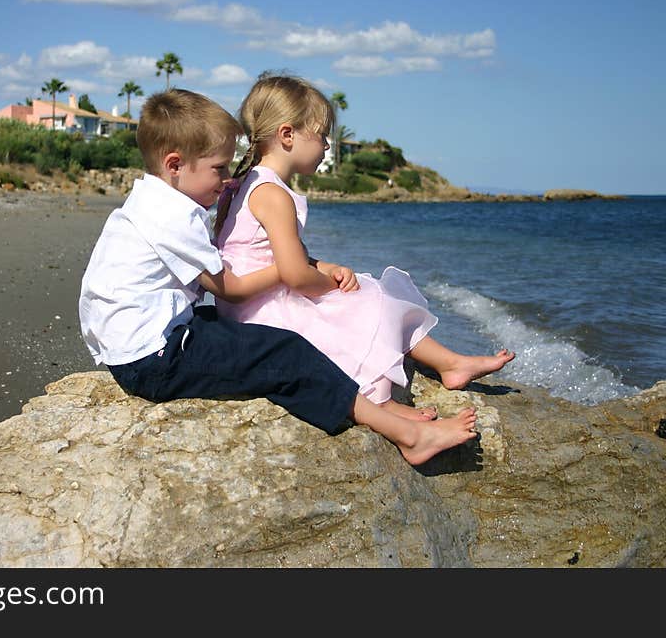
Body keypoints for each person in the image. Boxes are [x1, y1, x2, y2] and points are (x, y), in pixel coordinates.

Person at [79, 87, 480, 466]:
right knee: (286, 352)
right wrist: (289, 270)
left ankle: (385, 408)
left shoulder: (149, 201)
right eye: (217, 169)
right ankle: (405, 435)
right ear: (175, 165)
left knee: (242, 335)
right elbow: (232, 289)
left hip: (142, 347)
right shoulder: (172, 217)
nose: (223, 181)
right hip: (157, 359)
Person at [214, 73, 515, 423]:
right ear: (287, 134)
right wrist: (335, 286)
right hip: (265, 313)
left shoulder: (246, 185)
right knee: (368, 299)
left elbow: (264, 255)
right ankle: (382, 400)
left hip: (247, 308)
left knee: (369, 296)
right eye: (322, 135)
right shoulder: (273, 194)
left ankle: (449, 363)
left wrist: (323, 266)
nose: (327, 146)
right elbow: (295, 275)